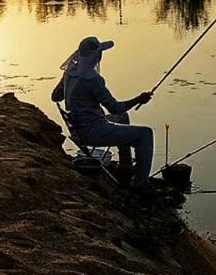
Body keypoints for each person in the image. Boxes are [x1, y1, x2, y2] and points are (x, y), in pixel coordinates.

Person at [51, 36, 154, 191]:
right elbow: (115, 108)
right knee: (145, 134)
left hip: (78, 128)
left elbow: (55, 97)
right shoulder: (93, 80)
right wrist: (139, 99)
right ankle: (140, 185)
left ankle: (126, 166)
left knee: (122, 118)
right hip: (92, 132)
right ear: (96, 56)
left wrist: (68, 87)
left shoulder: (69, 73)